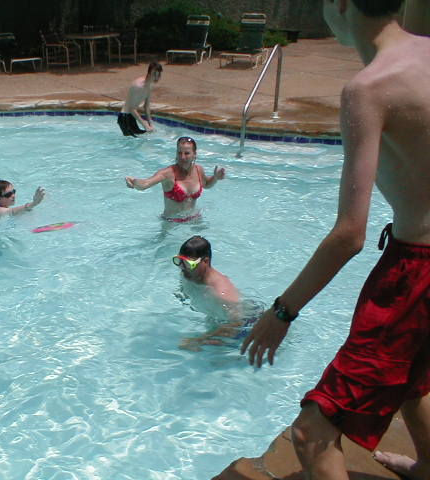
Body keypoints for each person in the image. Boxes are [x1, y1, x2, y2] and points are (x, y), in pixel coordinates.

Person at [240, 1, 430, 478]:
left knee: (312, 432)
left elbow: (349, 235)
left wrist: (282, 312)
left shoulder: (369, 88)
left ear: (341, 4)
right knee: (413, 379)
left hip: (417, 270)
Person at [172, 236, 250, 351]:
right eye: (179, 261)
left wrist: (199, 341)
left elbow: (238, 323)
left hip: (246, 328)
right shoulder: (189, 273)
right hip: (218, 318)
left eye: (188, 264)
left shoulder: (222, 292)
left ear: (205, 261)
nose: (182, 268)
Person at [125, 136, 225, 222]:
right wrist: (133, 181)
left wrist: (215, 178)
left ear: (194, 154)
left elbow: (206, 184)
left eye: (187, 153)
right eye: (179, 153)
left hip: (194, 220)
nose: (182, 157)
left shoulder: (199, 170)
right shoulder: (168, 174)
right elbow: (145, 184)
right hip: (172, 224)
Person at [117, 62, 162, 136]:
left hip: (131, 116)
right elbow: (132, 108)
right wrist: (144, 124)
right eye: (154, 74)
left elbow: (146, 106)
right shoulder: (138, 86)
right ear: (149, 73)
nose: (156, 77)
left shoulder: (149, 85)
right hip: (124, 117)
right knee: (136, 140)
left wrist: (150, 123)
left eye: (158, 75)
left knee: (143, 136)